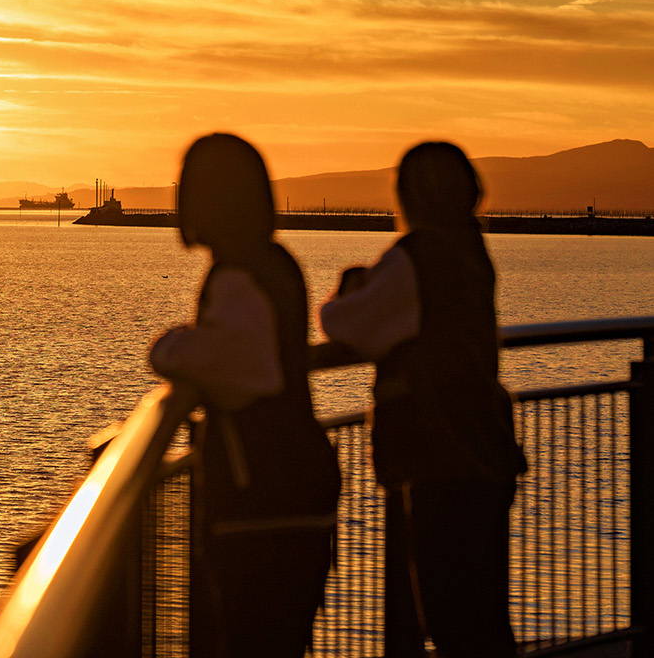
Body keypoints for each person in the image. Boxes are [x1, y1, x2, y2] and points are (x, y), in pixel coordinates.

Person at [320, 141, 526, 658]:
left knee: (449, 616)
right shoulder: (470, 251)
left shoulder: (417, 256)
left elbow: (348, 324)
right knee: (483, 617)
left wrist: (349, 290)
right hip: (487, 449)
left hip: (438, 457)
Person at [147, 133, 340, 658]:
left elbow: (238, 366)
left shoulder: (237, 276)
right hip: (300, 486)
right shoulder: (278, 262)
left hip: (261, 498)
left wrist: (169, 347)